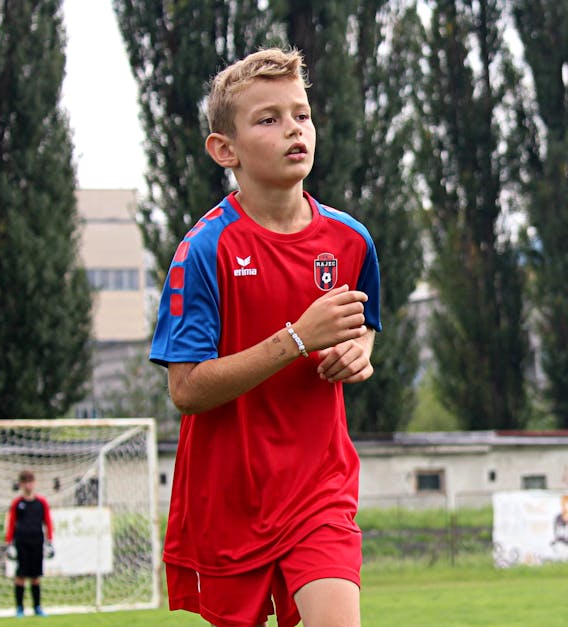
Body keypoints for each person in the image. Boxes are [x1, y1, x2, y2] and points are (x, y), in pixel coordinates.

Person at [149, 46, 381, 627]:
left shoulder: (352, 241)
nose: (293, 130)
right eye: (268, 119)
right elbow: (186, 389)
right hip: (231, 502)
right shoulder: (204, 250)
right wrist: (297, 339)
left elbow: (365, 324)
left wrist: (357, 352)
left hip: (319, 490)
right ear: (225, 149)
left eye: (301, 114)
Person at [4, 470, 54, 617]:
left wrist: (49, 541)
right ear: (20, 484)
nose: (28, 485)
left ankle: (37, 607)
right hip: (21, 542)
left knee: (35, 576)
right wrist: (9, 543)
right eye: (25, 482)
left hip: (37, 541)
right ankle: (19, 608)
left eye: (30, 482)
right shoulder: (17, 503)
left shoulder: (41, 502)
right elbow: (12, 523)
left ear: (34, 483)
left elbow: (48, 522)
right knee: (20, 575)